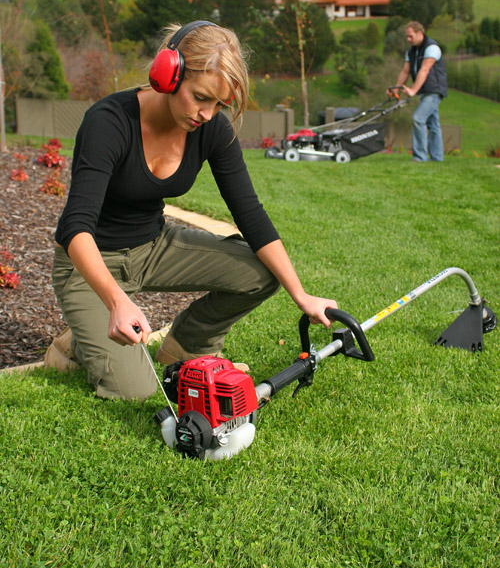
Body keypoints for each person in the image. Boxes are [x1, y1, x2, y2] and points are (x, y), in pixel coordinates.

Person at [47, 21, 339, 401]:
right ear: (169, 74)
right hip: (90, 263)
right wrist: (117, 301)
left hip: (154, 246)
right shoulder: (109, 122)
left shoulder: (212, 129)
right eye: (201, 97)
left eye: (220, 104)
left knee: (264, 273)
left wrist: (301, 295)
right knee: (135, 390)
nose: (207, 113)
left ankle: (185, 348)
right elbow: (75, 227)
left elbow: (250, 214)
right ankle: (76, 342)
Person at [392, 21, 447, 162]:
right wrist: (396, 89)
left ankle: (420, 157)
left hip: (434, 90)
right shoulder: (411, 51)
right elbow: (406, 70)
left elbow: (425, 70)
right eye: (407, 37)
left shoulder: (432, 48)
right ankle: (437, 158)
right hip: (424, 91)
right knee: (433, 124)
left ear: (419, 33)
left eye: (410, 36)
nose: (408, 40)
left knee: (418, 118)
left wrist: (413, 90)